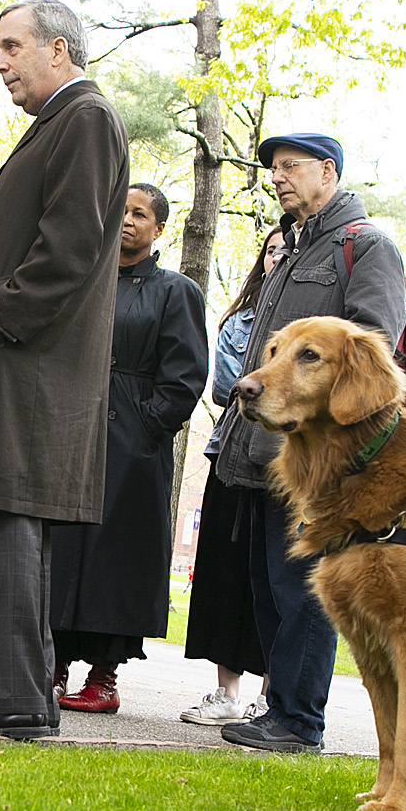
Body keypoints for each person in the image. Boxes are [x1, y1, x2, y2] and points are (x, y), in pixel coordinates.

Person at [0, 0, 130, 741]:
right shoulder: (66, 123)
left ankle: (9, 694)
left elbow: (67, 249)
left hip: (23, 368)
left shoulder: (85, 120)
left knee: (3, 521)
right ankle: (21, 695)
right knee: (5, 524)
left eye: (11, 47)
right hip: (17, 368)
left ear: (59, 51)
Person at [205, 132, 406, 752]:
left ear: (329, 171)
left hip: (320, 461)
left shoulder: (365, 247)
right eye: (272, 168)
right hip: (264, 452)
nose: (278, 177)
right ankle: (279, 709)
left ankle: (298, 719)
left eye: (291, 167)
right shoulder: (292, 249)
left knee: (304, 590)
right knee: (272, 585)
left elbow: (374, 345)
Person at [49, 183, 207, 713]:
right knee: (62, 546)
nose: (128, 222)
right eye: (120, 211)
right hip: (72, 430)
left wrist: (147, 428)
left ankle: (104, 677)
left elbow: (185, 377)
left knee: (116, 558)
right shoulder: (82, 280)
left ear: (158, 228)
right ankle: (51, 664)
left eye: (140, 214)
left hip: (133, 444)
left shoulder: (174, 291)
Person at [179, 225, 287, 725]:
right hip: (232, 454)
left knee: (277, 582)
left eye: (286, 250)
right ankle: (226, 694)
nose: (277, 257)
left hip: (287, 465)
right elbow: (227, 385)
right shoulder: (240, 321)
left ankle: (272, 695)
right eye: (269, 250)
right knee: (226, 575)